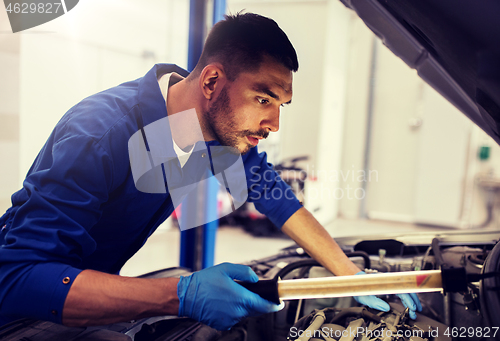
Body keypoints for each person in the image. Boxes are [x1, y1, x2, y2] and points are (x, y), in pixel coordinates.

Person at [0, 13, 421, 331]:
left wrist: (348, 275)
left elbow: (274, 196)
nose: (274, 124)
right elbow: (17, 277)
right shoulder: (100, 132)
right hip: (20, 315)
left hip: (87, 293)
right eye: (263, 99)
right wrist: (179, 297)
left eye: (280, 106)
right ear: (211, 81)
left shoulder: (214, 134)